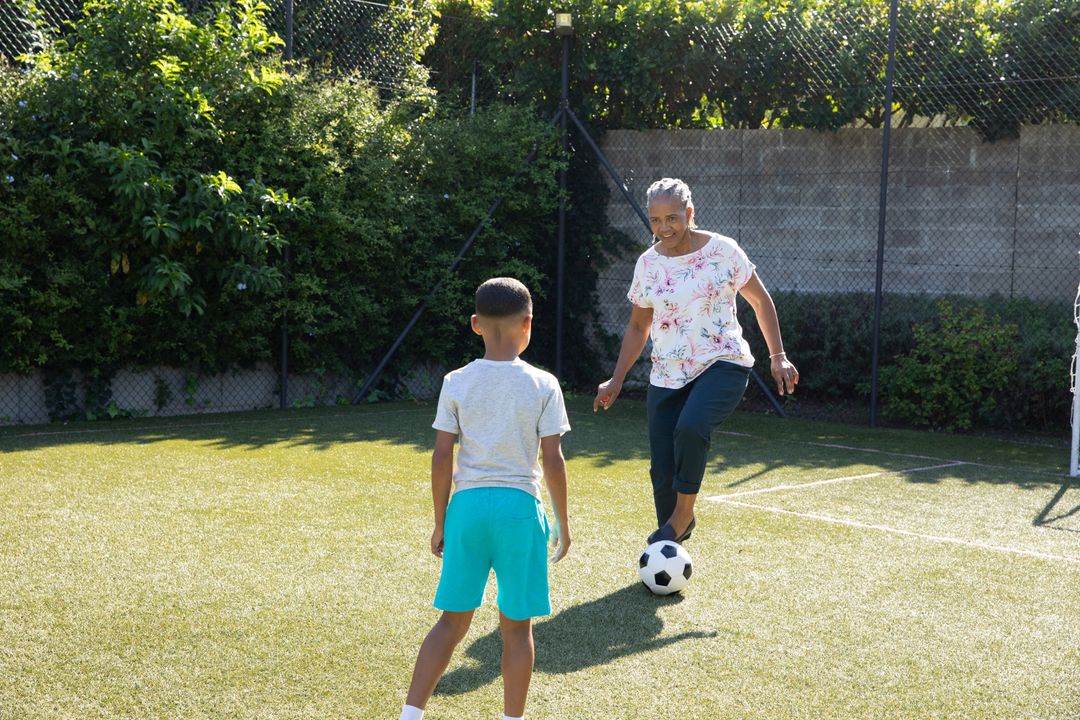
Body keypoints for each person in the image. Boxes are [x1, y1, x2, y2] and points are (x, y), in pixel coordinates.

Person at [400, 277, 572, 720]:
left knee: (451, 623)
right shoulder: (544, 384)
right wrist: (563, 523)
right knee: (517, 631)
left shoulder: (456, 381)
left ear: (476, 324)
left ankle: (411, 714)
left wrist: (441, 521)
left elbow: (442, 456)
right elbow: (553, 460)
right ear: (528, 325)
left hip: (468, 511)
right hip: (519, 512)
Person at [593, 178, 798, 546]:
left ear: (689, 213)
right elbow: (639, 326)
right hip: (667, 372)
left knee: (691, 426)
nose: (664, 228)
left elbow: (761, 301)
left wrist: (778, 355)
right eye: (655, 220)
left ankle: (684, 514)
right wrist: (617, 379)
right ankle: (669, 546)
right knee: (662, 467)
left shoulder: (723, 251)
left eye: (672, 218)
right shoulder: (648, 264)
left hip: (723, 361)